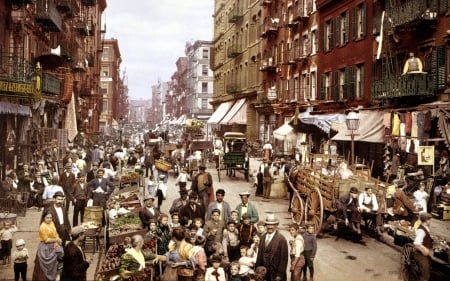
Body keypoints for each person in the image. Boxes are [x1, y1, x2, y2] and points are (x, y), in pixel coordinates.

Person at [256, 213, 289, 281]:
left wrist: (280, 275)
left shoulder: (281, 240)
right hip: (263, 273)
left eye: (272, 225)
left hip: (275, 274)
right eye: (268, 225)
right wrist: (257, 270)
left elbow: (284, 259)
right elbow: (259, 255)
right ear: (265, 225)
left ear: (276, 225)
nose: (270, 227)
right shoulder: (263, 237)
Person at [32, 211, 64, 281]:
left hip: (53, 243)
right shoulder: (42, 227)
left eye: (50, 218)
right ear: (43, 218)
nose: (49, 219)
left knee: (59, 257)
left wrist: (58, 239)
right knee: (45, 266)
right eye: (47, 218)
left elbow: (55, 233)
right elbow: (46, 240)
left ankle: (57, 275)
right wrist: (56, 240)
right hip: (45, 247)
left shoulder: (52, 223)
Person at [413, 212, 433, 281]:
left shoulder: (425, 227)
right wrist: (425, 250)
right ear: (426, 220)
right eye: (430, 220)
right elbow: (417, 244)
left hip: (424, 254)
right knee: (425, 275)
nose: (430, 221)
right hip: (421, 255)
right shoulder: (421, 230)